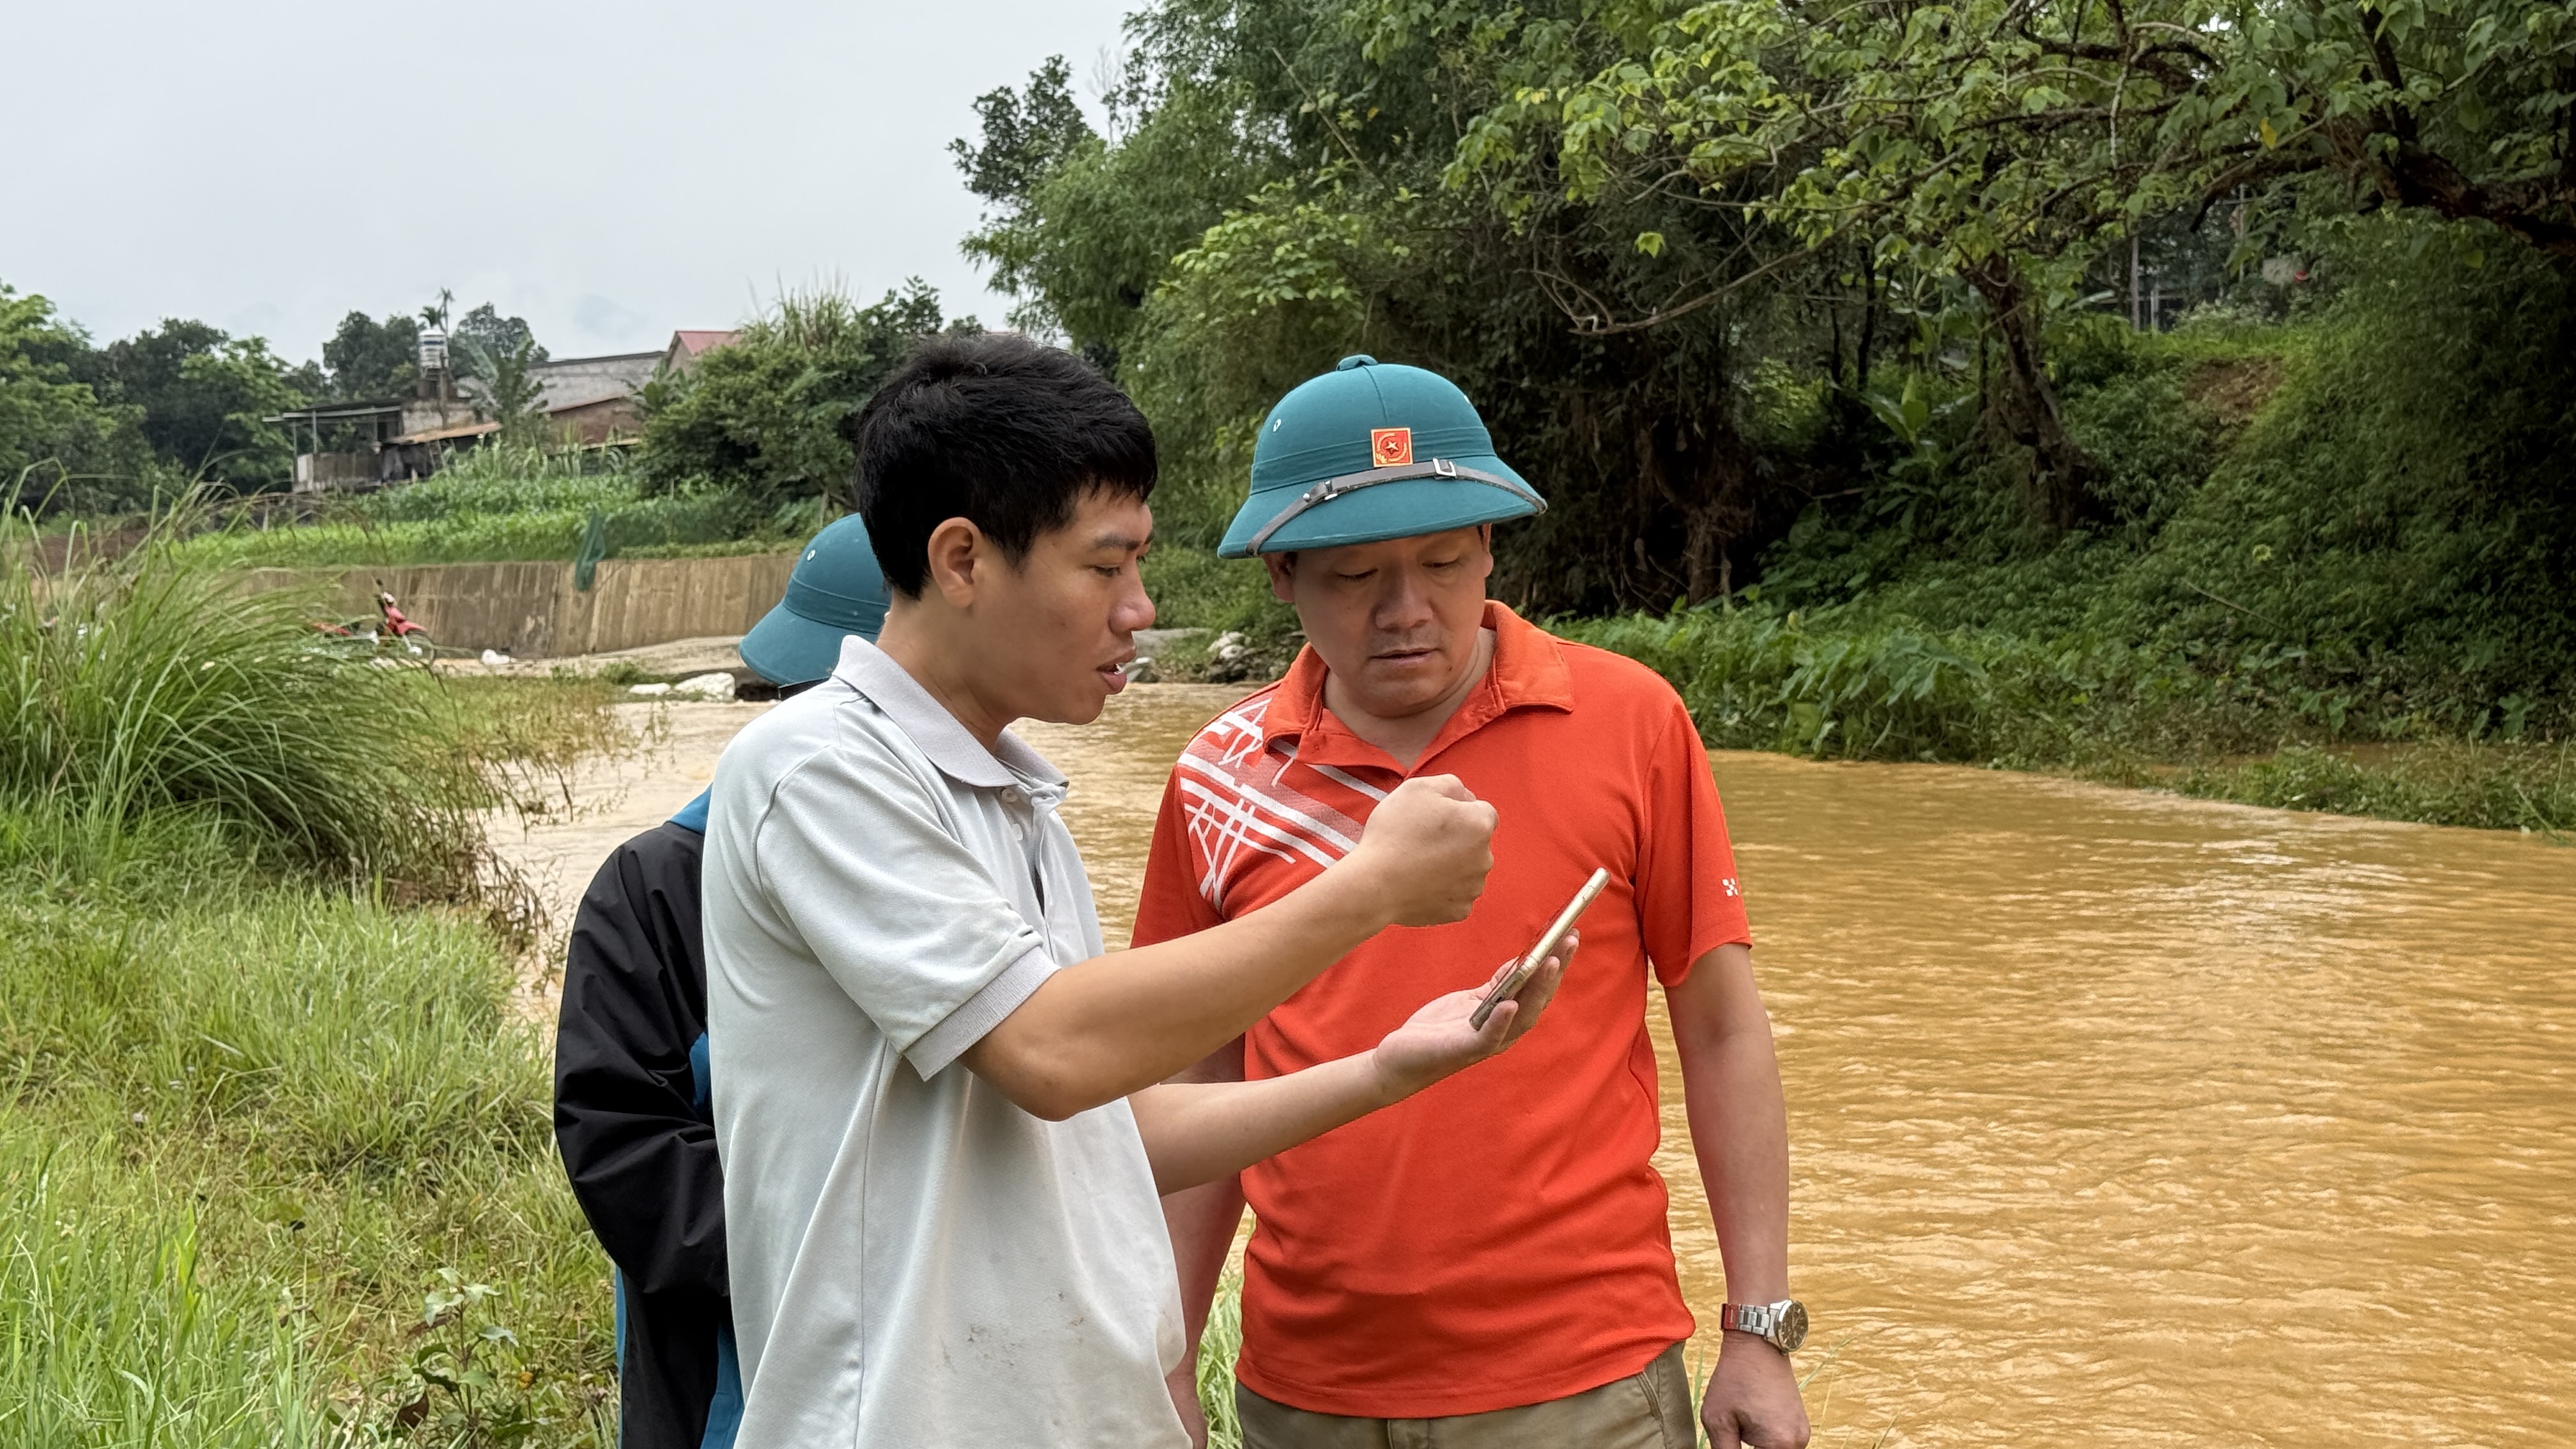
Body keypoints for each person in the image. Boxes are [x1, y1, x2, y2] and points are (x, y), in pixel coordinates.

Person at [699, 334, 1573, 1448]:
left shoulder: (1016, 804)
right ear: (963, 561)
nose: (1140, 609)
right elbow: (1054, 1058)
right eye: (1105, 567)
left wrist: (1386, 1069)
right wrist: (1369, 888)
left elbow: (1107, 1131)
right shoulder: (817, 767)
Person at [1140, 355, 1813, 1449]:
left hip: (1585, 1390)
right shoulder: (1220, 773)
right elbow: (1194, 1078)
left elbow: (1726, 1031)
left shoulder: (1630, 722)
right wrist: (1166, 1353)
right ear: (1281, 576)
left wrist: (1759, 1330)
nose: (1407, 612)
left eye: (1445, 562)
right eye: (1355, 576)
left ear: (1491, 549)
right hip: (1306, 1393)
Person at [551, 512, 891, 1449]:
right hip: (725, 1373)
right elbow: (621, 1144)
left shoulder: (992, 853)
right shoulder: (658, 884)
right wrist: (847, 1264)